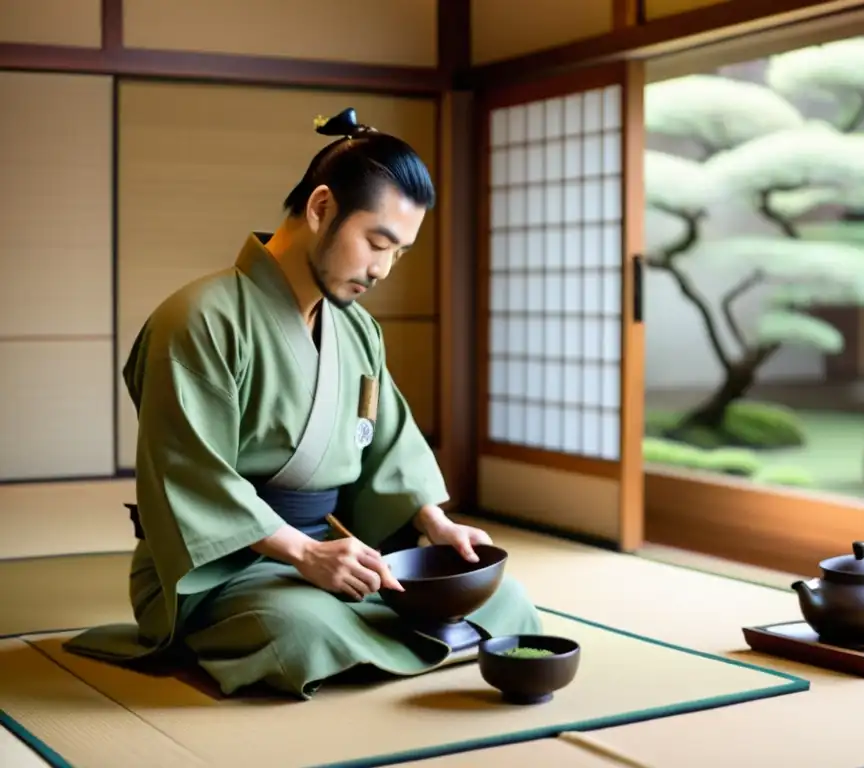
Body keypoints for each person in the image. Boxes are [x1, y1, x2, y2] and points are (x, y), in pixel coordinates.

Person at [63, 107, 543, 700]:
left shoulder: (358, 331)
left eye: (400, 253)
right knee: (296, 632)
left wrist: (432, 521)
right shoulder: (197, 321)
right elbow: (189, 473)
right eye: (376, 242)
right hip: (233, 562)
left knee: (507, 600)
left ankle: (368, 627)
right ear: (321, 209)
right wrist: (304, 553)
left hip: (340, 547)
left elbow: (387, 443)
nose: (383, 269)